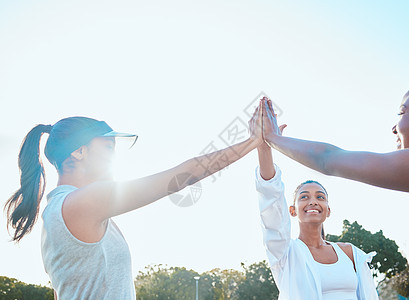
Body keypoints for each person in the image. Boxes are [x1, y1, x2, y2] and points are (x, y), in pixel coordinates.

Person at [5, 108, 264, 299]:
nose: (113, 156)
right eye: (107, 147)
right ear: (78, 151)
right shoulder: (83, 203)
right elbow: (182, 177)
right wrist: (253, 142)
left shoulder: (61, 211)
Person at [260, 53, 409, 299]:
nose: (394, 127)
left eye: (402, 113)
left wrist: (273, 138)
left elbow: (328, 158)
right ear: (293, 209)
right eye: (304, 197)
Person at [255, 127, 378, 300]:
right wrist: (264, 147)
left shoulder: (350, 253)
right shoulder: (285, 254)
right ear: (292, 210)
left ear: (328, 210)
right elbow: (271, 205)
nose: (313, 201)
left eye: (320, 197)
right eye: (304, 197)